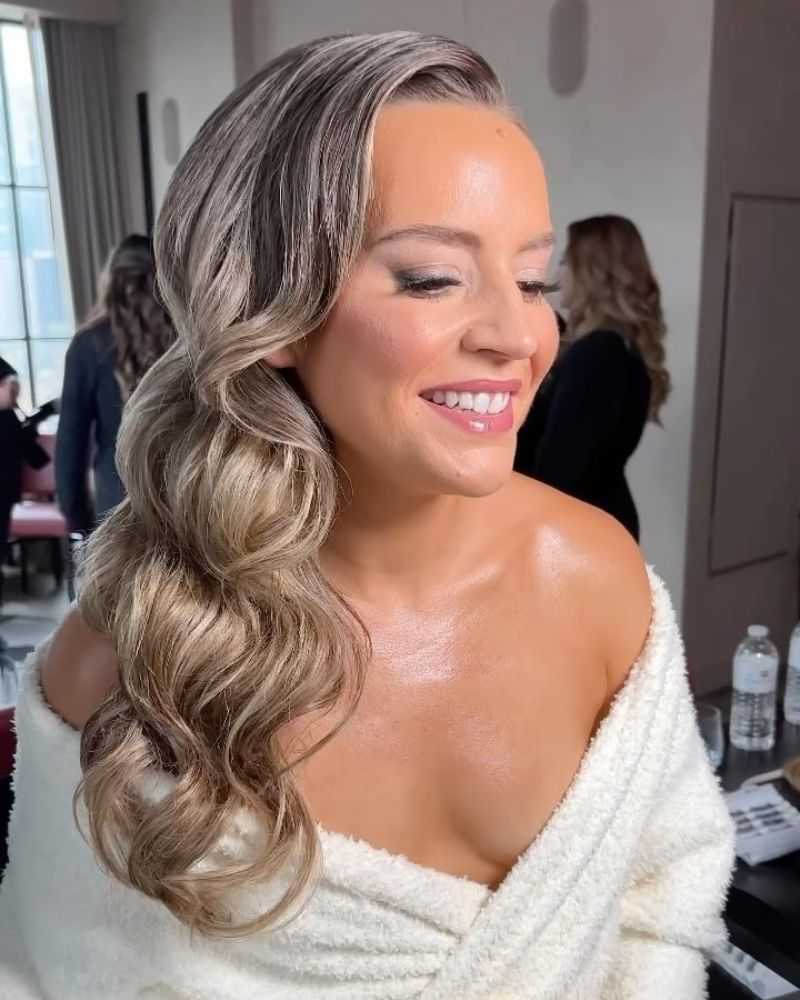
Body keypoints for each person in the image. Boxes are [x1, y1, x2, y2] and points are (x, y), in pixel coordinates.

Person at [0, 33, 732, 999]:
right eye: (432, 277)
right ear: (273, 308)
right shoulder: (133, 654)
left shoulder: (598, 579)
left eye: (532, 279)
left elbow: (666, 885)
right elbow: (55, 977)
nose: (519, 336)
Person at [515, 215, 670, 540]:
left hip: (578, 534)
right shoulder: (613, 346)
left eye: (565, 262)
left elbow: (560, 472)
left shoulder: (599, 354)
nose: (558, 275)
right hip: (595, 524)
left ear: (591, 273)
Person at [55, 235, 175, 534]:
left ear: (109, 280)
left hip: (115, 504)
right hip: (182, 495)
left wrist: (78, 521)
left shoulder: (88, 345)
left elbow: (70, 445)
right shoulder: (184, 337)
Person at [0, 358, 58, 604]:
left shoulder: (11, 419)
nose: (15, 393)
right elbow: (38, 460)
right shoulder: (10, 420)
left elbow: (37, 460)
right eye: (10, 388)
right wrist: (34, 423)